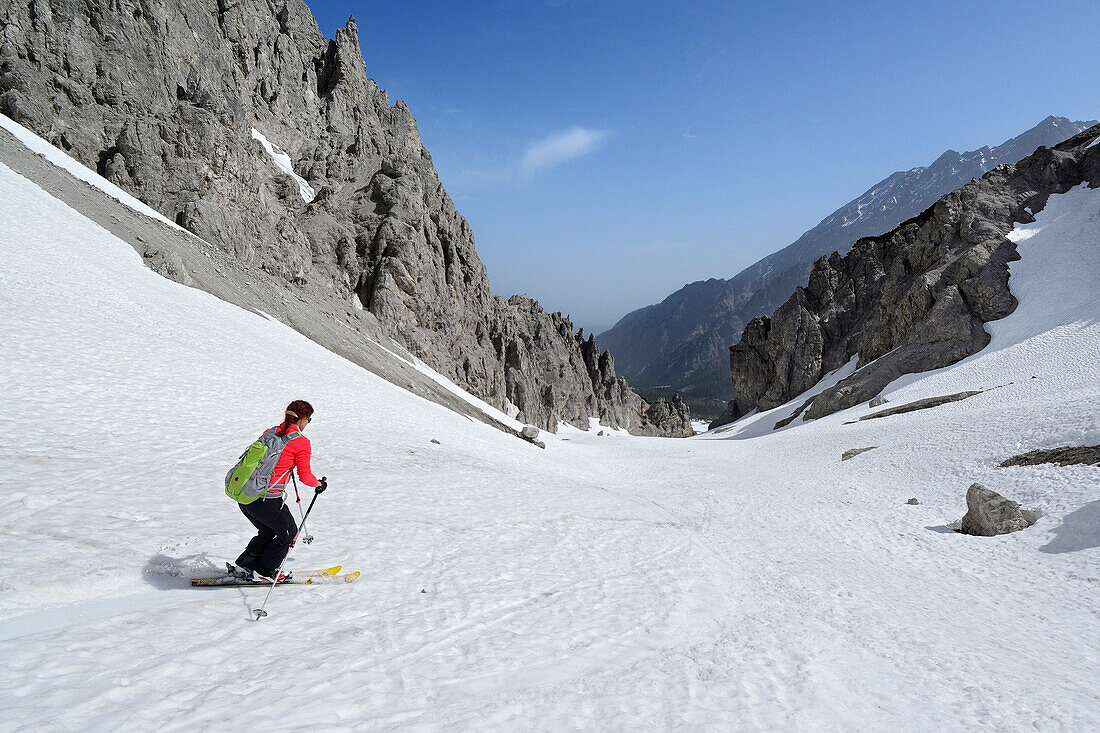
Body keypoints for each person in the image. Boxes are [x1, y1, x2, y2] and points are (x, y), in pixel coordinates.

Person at [231, 400, 323, 582]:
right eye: (309, 420)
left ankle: (244, 566)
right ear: (303, 419)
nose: (308, 424)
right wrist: (318, 484)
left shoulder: (271, 432)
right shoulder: (301, 442)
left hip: (245, 496)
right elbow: (305, 476)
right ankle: (264, 572)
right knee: (288, 534)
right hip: (267, 500)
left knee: (268, 531)